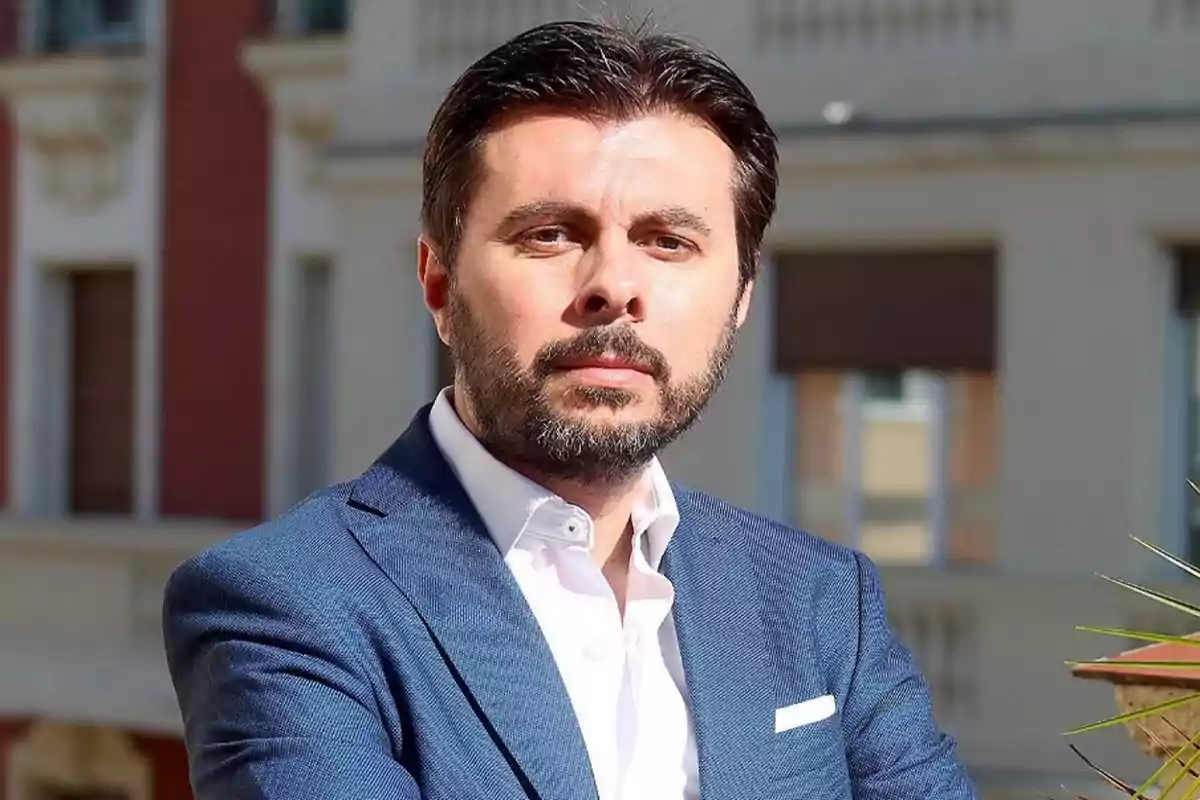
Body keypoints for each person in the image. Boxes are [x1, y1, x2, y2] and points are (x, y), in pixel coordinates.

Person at [162, 17, 977, 800]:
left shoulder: (821, 602)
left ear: (739, 298)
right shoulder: (285, 605)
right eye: (550, 234)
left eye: (669, 241)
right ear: (439, 283)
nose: (614, 286)